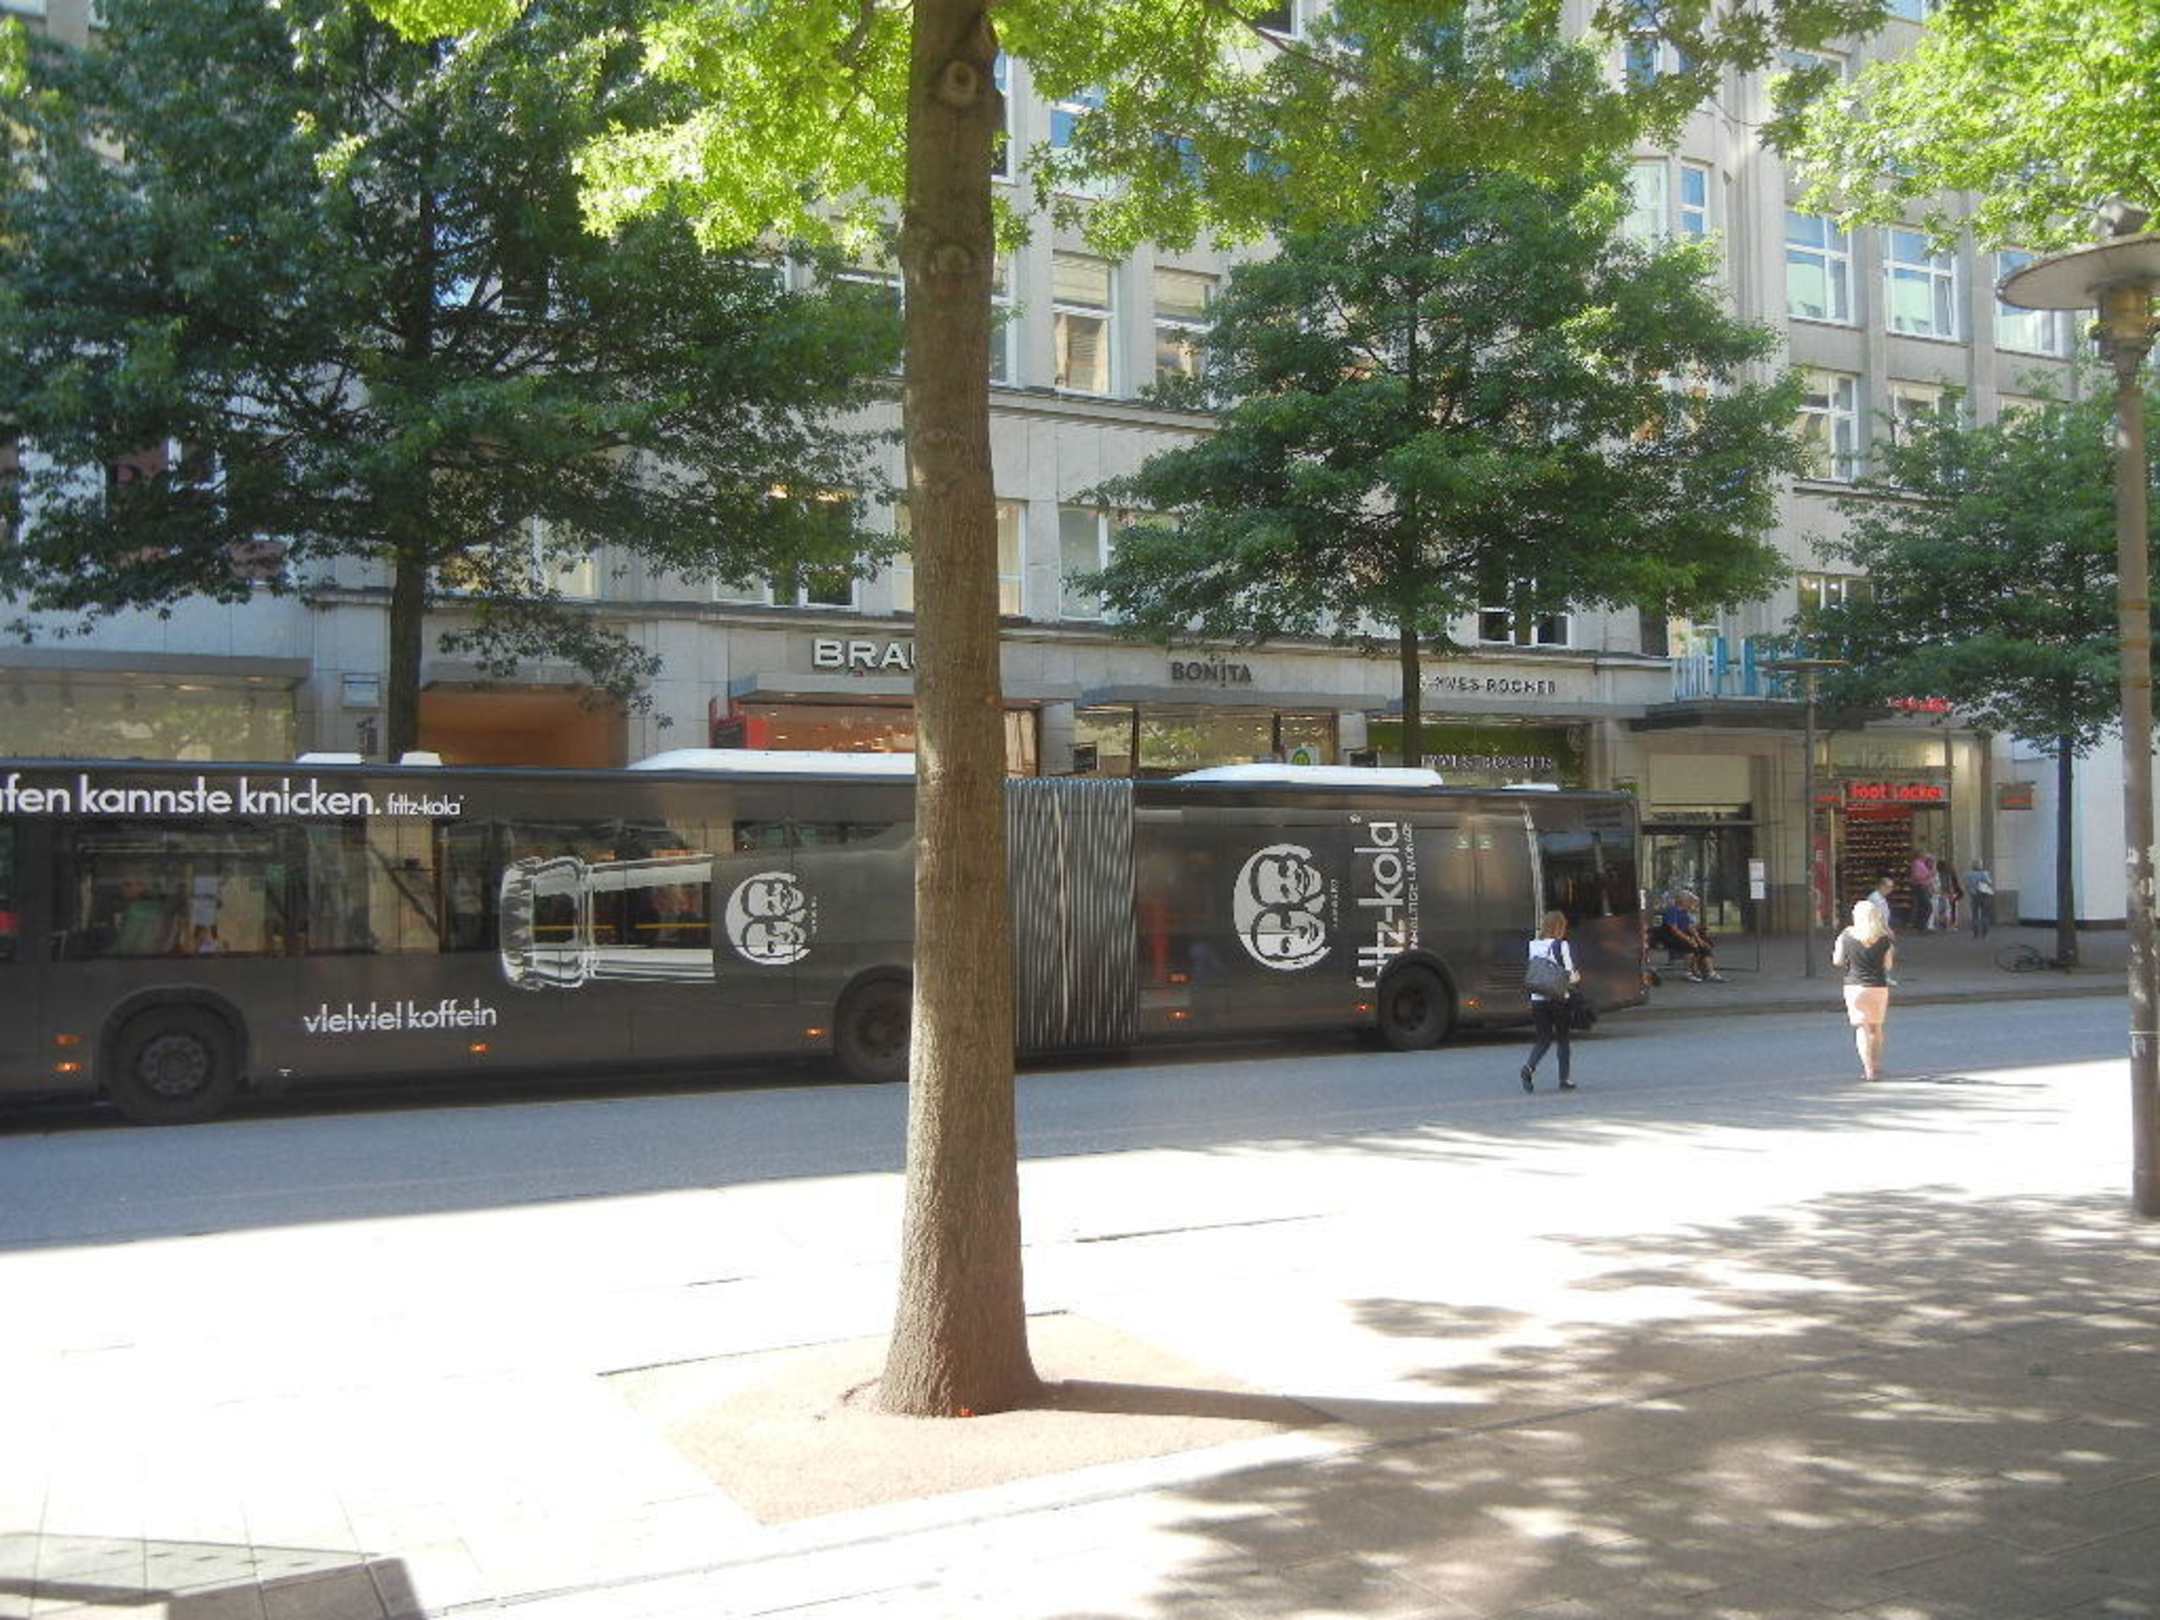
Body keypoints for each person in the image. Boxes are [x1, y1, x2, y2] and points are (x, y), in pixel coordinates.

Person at [1831, 897, 1896, 1080]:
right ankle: (1876, 1064)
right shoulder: (1884, 939)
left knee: (1862, 1028)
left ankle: (1868, 1069)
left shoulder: (1846, 936)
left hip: (1854, 987)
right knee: (1876, 1028)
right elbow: (1888, 965)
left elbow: (1837, 961)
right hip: (1878, 987)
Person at [1520, 910, 1581, 1093]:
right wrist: (1577, 977)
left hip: (1537, 998)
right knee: (1563, 1039)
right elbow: (1569, 974)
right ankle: (1564, 1079)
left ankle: (1529, 1067)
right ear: (1559, 927)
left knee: (1543, 1039)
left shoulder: (1533, 945)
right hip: (1558, 998)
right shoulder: (1561, 945)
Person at [1652, 889, 1724, 982]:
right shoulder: (1672, 910)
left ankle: (1710, 973)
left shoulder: (1685, 912)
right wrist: (1688, 939)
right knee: (1689, 946)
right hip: (1670, 936)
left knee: (1704, 947)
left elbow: (1690, 928)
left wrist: (1699, 940)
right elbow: (1674, 929)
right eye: (1689, 900)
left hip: (1682, 935)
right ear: (1683, 901)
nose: (1691, 902)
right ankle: (1688, 972)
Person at [1965, 856, 1996, 938]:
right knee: (1985, 914)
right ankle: (1984, 934)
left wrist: (1971, 891)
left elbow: (1966, 886)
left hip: (1974, 895)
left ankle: (1975, 933)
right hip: (1984, 895)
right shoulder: (1984, 873)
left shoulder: (1968, 874)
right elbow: (1989, 882)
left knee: (1974, 914)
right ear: (1980, 865)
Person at [1908, 849, 1937, 931]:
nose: (1926, 855)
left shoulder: (1921, 864)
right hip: (1920, 886)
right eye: (1925, 854)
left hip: (1923, 887)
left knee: (1923, 907)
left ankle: (1921, 926)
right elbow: (1916, 876)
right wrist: (1928, 875)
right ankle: (1921, 925)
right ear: (1921, 855)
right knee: (1927, 907)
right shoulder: (1917, 864)